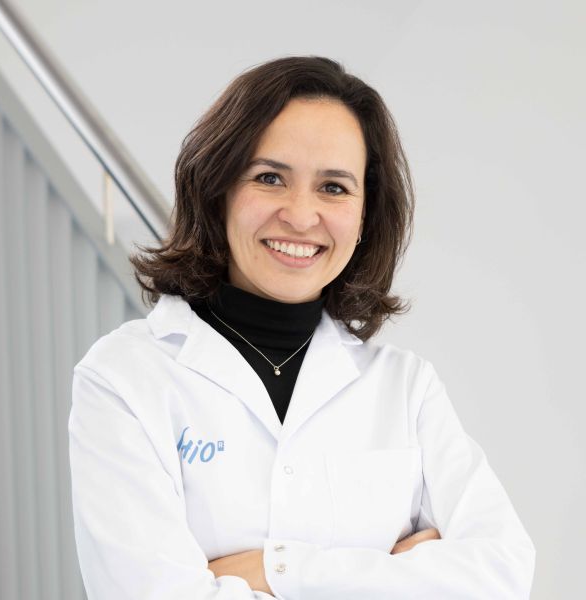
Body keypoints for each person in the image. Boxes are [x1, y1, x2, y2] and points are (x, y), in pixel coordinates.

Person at [68, 56, 536, 599]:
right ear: (218, 190)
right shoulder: (125, 377)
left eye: (333, 188)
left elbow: (502, 576)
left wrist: (277, 571)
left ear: (365, 215)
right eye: (270, 178)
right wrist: (393, 573)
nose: (300, 215)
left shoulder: (407, 389)